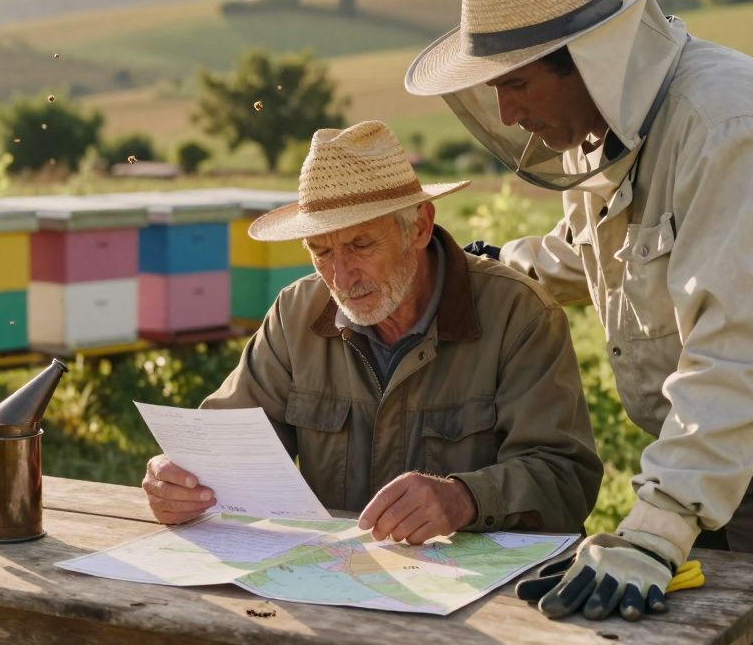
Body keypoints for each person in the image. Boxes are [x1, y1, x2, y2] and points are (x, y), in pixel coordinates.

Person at [404, 0, 753, 643]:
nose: (508, 111)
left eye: (516, 83)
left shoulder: (724, 127)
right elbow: (596, 255)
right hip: (711, 437)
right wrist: (493, 267)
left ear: (586, 58)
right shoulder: (603, 128)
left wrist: (658, 527)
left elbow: (744, 351)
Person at [142, 120, 602, 543]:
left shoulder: (519, 315)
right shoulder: (295, 313)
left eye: (360, 245)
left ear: (419, 227)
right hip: (337, 588)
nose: (340, 277)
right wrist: (181, 482)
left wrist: (464, 498)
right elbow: (225, 449)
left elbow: (566, 479)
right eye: (320, 251)